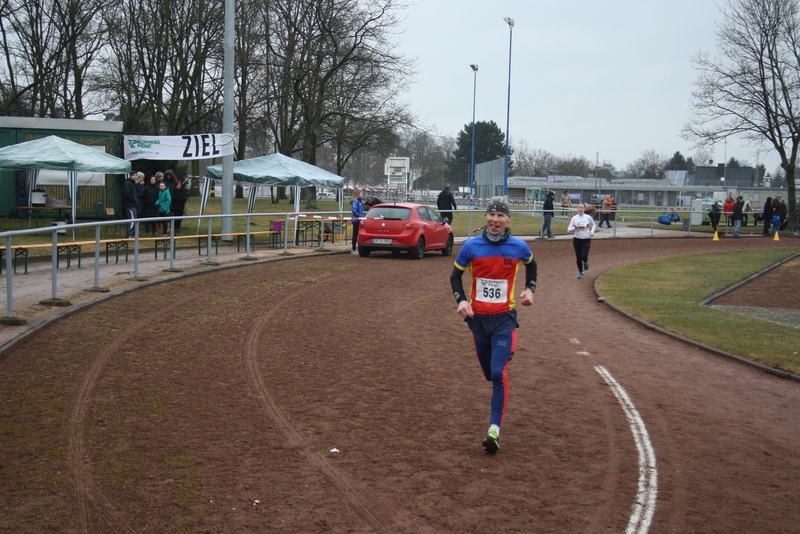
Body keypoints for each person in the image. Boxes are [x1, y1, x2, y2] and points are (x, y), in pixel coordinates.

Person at [449, 197, 537, 454]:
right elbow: (455, 276)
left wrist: (530, 289)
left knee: (498, 373)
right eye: (491, 215)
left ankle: (494, 430)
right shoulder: (471, 246)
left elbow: (532, 265)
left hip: (504, 321)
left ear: (508, 219)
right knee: (489, 374)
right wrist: (461, 300)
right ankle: (495, 415)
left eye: (500, 216)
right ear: (485, 218)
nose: (495, 220)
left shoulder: (519, 247)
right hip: (478, 322)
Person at [567, 203, 596, 279]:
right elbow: (568, 229)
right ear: (577, 209)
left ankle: (585, 261)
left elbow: (593, 225)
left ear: (584, 209)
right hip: (577, 240)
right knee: (578, 257)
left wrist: (592, 232)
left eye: (582, 208)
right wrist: (575, 227)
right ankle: (580, 272)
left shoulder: (588, 217)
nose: (580, 209)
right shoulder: (574, 218)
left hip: (586, 239)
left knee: (583, 256)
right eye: (579, 207)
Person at [122, 172, 138, 238]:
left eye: (136, 175)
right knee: (132, 219)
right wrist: (134, 199)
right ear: (131, 176)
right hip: (129, 205)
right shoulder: (128, 184)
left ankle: (132, 233)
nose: (135, 176)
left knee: (134, 218)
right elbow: (127, 194)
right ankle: (129, 234)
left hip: (133, 204)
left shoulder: (133, 184)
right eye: (134, 175)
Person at [350, 189, 364, 255]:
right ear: (358, 194)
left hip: (359, 219)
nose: (362, 194)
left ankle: (356, 248)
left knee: (357, 234)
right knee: (355, 234)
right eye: (361, 193)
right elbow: (354, 211)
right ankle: (353, 249)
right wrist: (360, 216)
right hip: (356, 220)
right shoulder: (356, 201)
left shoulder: (359, 202)